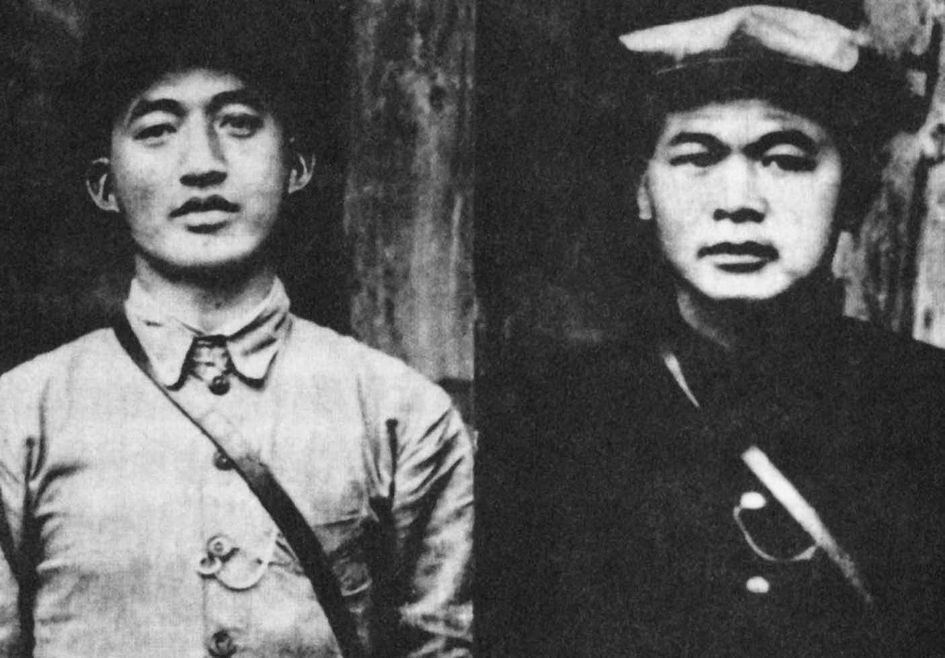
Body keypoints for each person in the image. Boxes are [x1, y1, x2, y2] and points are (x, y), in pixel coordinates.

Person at [0, 1, 473, 656]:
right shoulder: (21, 419)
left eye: (240, 124)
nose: (203, 164)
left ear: (297, 165)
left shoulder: (402, 416)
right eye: (157, 129)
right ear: (105, 185)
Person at [482, 2, 945, 656]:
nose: (737, 202)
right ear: (642, 190)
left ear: (852, 193)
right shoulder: (550, 421)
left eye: (784, 158)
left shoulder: (924, 407)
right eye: (696, 156)